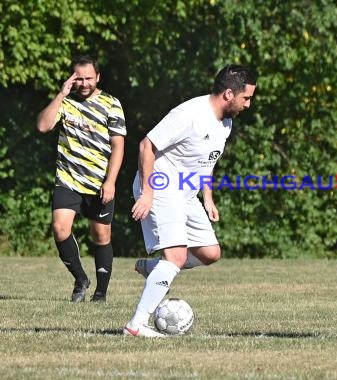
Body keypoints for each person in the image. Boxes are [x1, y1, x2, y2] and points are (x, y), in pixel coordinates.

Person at [123, 64, 257, 337]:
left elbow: (207, 162)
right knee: (176, 256)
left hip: (184, 193)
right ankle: (136, 325)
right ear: (229, 94)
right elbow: (146, 146)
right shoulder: (190, 114)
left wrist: (207, 197)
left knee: (210, 253)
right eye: (246, 98)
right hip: (159, 185)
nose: (249, 104)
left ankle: (154, 269)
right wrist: (148, 193)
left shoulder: (225, 123)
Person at [37, 54, 126, 303]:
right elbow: (43, 126)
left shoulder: (111, 104)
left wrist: (110, 181)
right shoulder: (66, 103)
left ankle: (100, 293)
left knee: (101, 237)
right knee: (59, 228)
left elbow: (118, 146)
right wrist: (60, 95)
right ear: (72, 78)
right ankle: (80, 279)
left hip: (99, 182)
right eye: (79, 78)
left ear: (98, 77)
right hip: (68, 179)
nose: (84, 83)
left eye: (89, 78)